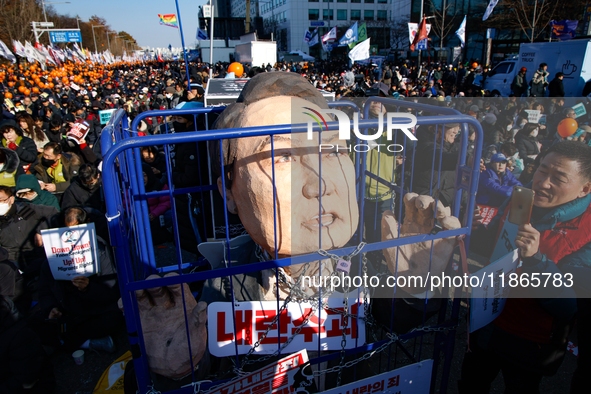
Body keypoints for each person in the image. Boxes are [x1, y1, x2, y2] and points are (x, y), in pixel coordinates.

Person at [459, 141, 591, 393]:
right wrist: (476, 232)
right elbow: (494, 245)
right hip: (486, 321)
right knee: (471, 385)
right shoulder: (521, 198)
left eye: (558, 178)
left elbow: (569, 306)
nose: (543, 182)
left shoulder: (586, 231)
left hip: (531, 343)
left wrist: (535, 261)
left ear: (584, 188)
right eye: (542, 170)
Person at [37, 207, 121, 354]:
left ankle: (74, 342)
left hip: (95, 311)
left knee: (114, 319)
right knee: (35, 328)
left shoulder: (99, 249)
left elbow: (112, 291)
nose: (71, 237)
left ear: (87, 224)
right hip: (68, 311)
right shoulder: (51, 258)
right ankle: (88, 343)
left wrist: (88, 288)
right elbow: (44, 291)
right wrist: (51, 309)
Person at [0, 185, 58, 275]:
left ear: (11, 199)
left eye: (1, 200)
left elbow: (53, 212)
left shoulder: (25, 210)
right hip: (11, 261)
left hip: (35, 255)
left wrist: (40, 231)